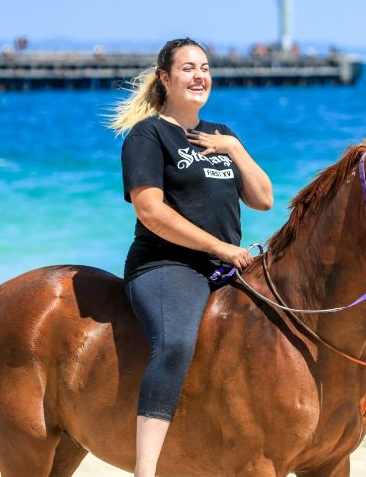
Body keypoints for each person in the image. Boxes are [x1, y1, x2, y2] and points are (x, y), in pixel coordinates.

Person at [108, 38, 273, 477]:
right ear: (165, 78)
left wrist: (235, 149)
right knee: (176, 343)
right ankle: (146, 469)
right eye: (187, 68)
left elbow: (264, 199)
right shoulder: (148, 134)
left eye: (205, 68)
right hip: (167, 265)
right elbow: (151, 211)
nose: (200, 76)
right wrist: (219, 247)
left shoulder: (222, 134)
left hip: (225, 267)